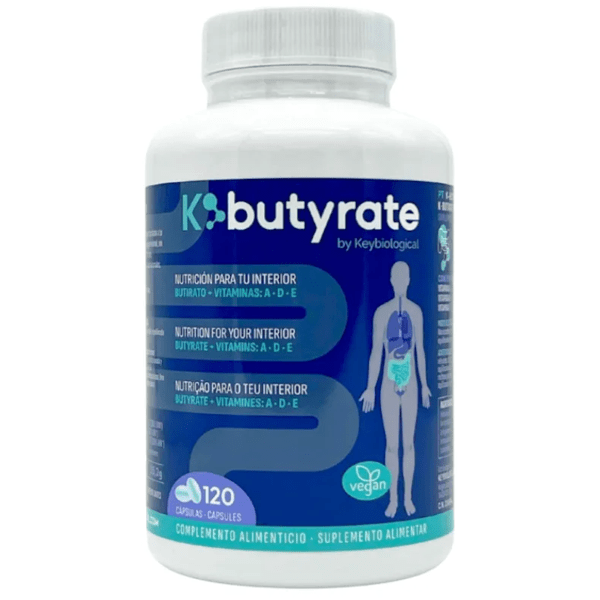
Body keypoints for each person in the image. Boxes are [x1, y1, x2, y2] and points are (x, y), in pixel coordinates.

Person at [360, 261, 431, 518]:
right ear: (391, 280)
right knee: (391, 446)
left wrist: (424, 385)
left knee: (409, 444)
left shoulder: (416, 312)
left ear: (409, 280)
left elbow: (420, 350)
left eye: (404, 277)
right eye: (396, 277)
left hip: (410, 384)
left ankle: (409, 498)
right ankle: (393, 500)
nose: (400, 282)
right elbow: (376, 353)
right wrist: (370, 387)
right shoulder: (382, 313)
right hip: (388, 385)